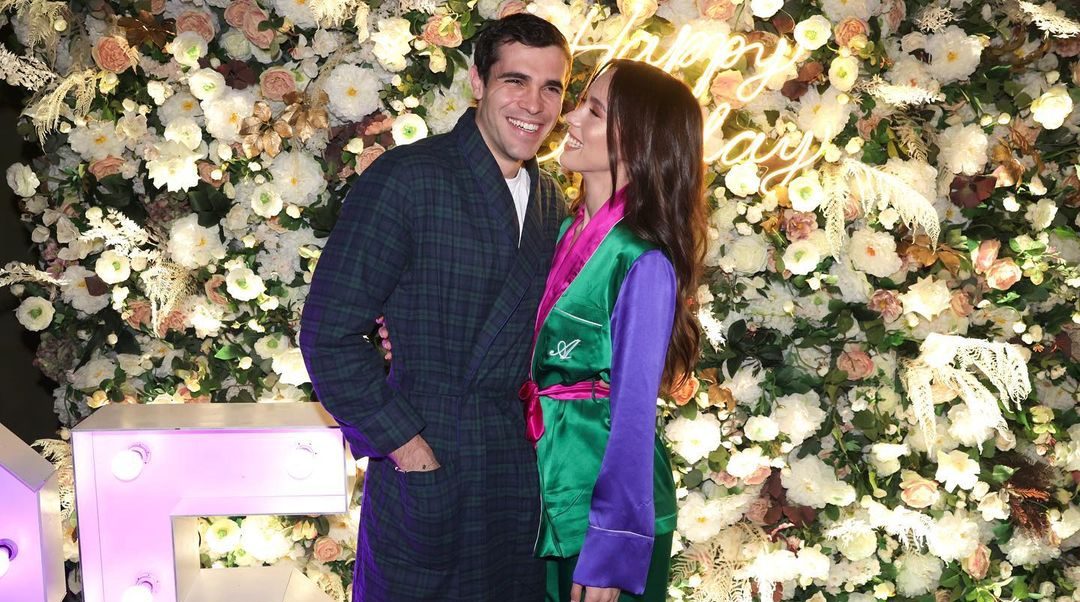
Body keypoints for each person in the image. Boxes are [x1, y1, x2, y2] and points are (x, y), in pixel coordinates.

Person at [299, 14, 571, 602]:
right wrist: (407, 446)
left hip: (515, 465)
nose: (534, 104)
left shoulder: (551, 200)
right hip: (427, 450)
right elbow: (328, 332)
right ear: (477, 81)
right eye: (516, 81)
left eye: (551, 87)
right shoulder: (408, 178)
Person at [518, 60, 707, 602]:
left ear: (638, 141)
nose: (570, 118)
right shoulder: (566, 229)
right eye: (582, 103)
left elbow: (633, 414)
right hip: (554, 487)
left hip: (604, 510)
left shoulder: (641, 260)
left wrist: (613, 544)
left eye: (595, 111)